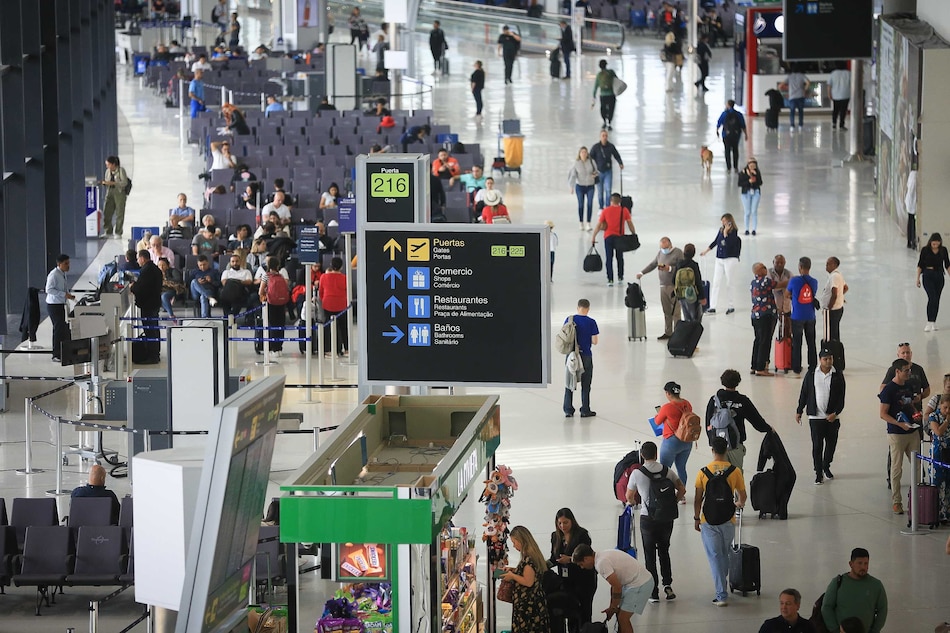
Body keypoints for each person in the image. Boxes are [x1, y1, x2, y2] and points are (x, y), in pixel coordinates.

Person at [628, 440, 685, 603]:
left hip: (648, 519)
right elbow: (682, 489)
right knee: (664, 551)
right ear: (656, 454)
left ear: (642, 455)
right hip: (666, 518)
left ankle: (653, 592)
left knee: (650, 555)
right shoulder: (667, 471)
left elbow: (629, 496)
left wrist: (634, 503)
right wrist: (673, 502)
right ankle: (668, 586)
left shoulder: (637, 473)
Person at [693, 436, 746, 607]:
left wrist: (696, 518)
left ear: (712, 451)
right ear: (726, 450)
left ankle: (721, 594)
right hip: (728, 519)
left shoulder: (703, 472)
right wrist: (737, 504)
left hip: (708, 520)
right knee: (724, 553)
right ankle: (722, 583)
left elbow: (698, 499)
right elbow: (743, 496)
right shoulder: (735, 471)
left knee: (714, 556)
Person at [572, 544, 654, 633]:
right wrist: (612, 606)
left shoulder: (601, 563)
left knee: (623, 619)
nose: (582, 567)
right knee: (619, 615)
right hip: (635, 580)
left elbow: (617, 586)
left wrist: (613, 607)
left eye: (581, 564)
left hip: (640, 583)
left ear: (586, 559)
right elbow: (614, 585)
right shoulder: (602, 554)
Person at [705, 369, 773, 471]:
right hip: (735, 444)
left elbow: (708, 422)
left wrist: (712, 441)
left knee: (719, 474)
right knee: (736, 474)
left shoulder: (714, 400)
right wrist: (768, 428)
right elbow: (756, 420)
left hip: (718, 445)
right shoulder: (742, 401)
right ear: (738, 382)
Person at [796, 347, 846, 485]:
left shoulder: (838, 375)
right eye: (825, 359)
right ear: (820, 360)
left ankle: (826, 465)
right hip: (815, 418)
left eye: (830, 358)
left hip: (832, 418)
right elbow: (804, 392)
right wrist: (799, 410)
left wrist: (835, 413)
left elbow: (841, 397)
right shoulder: (812, 374)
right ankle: (818, 473)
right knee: (817, 446)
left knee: (831, 445)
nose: (828, 361)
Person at [880, 358, 922, 515]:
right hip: (897, 434)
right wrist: (899, 424)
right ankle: (897, 501)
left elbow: (910, 404)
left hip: (912, 432)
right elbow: (883, 414)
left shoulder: (909, 386)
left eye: (909, 370)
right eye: (906, 370)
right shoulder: (888, 390)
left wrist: (915, 414)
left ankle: (917, 498)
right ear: (897, 371)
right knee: (897, 468)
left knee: (917, 466)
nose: (909, 373)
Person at [820, 548, 888, 633]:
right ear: (851, 564)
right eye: (859, 563)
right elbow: (827, 607)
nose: (863, 567)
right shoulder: (838, 582)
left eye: (866, 563)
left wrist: (874, 631)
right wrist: (835, 630)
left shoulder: (876, 585)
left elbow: (882, 610)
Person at [549, 509, 596, 623]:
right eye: (560, 523)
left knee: (584, 611)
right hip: (566, 581)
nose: (562, 526)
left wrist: (570, 559)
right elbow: (554, 558)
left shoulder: (582, 535)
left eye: (565, 522)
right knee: (570, 611)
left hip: (584, 579)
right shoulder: (555, 536)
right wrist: (541, 565)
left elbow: (587, 557)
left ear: (572, 521)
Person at [501, 526, 551, 633]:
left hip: (528, 606)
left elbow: (528, 582)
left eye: (514, 542)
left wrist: (512, 576)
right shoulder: (533, 555)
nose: (514, 546)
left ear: (521, 540)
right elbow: (529, 573)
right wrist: (514, 570)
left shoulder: (528, 558)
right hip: (533, 603)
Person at [637, 238, 683, 339]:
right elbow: (653, 264)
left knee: (676, 311)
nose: (664, 250)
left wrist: (669, 268)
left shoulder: (678, 253)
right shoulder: (660, 253)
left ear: (670, 244)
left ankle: (678, 333)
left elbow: (682, 268)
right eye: (662, 248)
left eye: (665, 248)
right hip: (663, 286)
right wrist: (642, 272)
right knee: (666, 310)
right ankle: (668, 332)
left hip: (674, 286)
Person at [563, 298, 599, 418]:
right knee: (586, 383)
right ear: (588, 309)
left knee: (569, 381)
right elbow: (595, 341)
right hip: (586, 355)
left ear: (578, 308)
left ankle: (568, 409)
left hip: (571, 355)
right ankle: (585, 409)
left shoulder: (569, 319)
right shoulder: (591, 322)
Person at [591, 193, 636, 287]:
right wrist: (633, 234)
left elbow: (599, 225)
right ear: (620, 201)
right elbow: (630, 224)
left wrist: (593, 236)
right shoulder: (624, 210)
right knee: (619, 258)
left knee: (609, 258)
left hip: (608, 237)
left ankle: (610, 279)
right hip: (620, 238)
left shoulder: (605, 211)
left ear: (611, 201)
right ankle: (620, 277)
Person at [700, 213, 741, 315]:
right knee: (716, 282)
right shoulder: (721, 230)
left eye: (724, 221)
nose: (723, 223)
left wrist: (726, 233)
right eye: (722, 221)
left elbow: (728, 244)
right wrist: (706, 251)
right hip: (720, 259)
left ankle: (731, 305)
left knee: (729, 282)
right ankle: (712, 306)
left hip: (730, 259)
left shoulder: (734, 232)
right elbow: (716, 242)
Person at [785, 257, 819, 375]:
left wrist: (793, 297)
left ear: (800, 267)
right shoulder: (814, 281)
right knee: (811, 343)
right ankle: (813, 366)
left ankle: (796, 367)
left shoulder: (794, 281)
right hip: (810, 316)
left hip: (797, 316)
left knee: (797, 343)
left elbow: (786, 294)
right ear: (810, 267)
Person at [130, 250, 163, 364]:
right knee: (154, 329)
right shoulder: (154, 269)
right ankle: (155, 353)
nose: (137, 261)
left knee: (150, 330)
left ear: (142, 258)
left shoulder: (147, 271)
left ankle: (153, 356)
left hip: (149, 305)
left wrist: (133, 287)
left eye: (138, 259)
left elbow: (142, 289)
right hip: (154, 303)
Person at [916, 232, 950, 331]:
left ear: (940, 242)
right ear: (930, 242)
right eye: (933, 243)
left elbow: (947, 265)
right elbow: (920, 264)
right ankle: (929, 321)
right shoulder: (925, 250)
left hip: (939, 276)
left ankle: (933, 322)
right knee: (932, 297)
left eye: (937, 243)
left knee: (937, 299)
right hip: (928, 275)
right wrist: (917, 278)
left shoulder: (943, 250)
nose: (935, 245)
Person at [45, 254, 74, 362]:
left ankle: (62, 352)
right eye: (66, 263)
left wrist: (67, 295)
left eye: (68, 263)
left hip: (60, 304)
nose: (68, 265)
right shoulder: (54, 275)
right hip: (54, 305)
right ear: (59, 264)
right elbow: (49, 289)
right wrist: (64, 294)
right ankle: (56, 354)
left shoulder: (62, 274)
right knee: (58, 329)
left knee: (61, 328)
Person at [750, 262, 777, 376]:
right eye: (763, 268)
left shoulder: (753, 282)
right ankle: (760, 368)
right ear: (757, 271)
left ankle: (754, 365)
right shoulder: (765, 281)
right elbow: (778, 285)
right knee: (764, 341)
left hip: (755, 315)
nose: (766, 269)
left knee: (758, 340)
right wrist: (791, 281)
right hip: (764, 315)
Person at [927, 395, 950, 523]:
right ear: (940, 405)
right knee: (938, 482)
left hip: (949, 451)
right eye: (945, 407)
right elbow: (938, 432)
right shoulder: (933, 416)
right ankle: (937, 513)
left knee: (948, 482)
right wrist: (947, 421)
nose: (947, 410)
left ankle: (947, 512)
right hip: (938, 452)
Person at [319, 257, 348, 356]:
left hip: (327, 303)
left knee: (327, 327)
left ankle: (328, 350)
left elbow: (321, 292)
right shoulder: (345, 278)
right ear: (341, 267)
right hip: (342, 304)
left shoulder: (323, 277)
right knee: (343, 327)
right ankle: (346, 348)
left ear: (331, 265)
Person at [589, 130, 623, 210]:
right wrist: (592, 170)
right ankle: (601, 208)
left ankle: (608, 208)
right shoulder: (595, 147)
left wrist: (620, 163)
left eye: (606, 136)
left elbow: (616, 155)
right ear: (600, 137)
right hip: (598, 172)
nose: (604, 137)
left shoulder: (611, 146)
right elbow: (590, 158)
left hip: (608, 172)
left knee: (608, 190)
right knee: (600, 191)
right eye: (603, 136)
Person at [568, 147, 598, 230]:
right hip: (580, 186)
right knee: (581, 205)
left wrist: (595, 174)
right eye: (582, 152)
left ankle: (588, 223)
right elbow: (573, 175)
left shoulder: (591, 161)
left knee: (590, 204)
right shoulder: (576, 163)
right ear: (579, 154)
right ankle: (581, 222)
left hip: (590, 185)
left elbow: (597, 171)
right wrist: (571, 186)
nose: (584, 154)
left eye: (585, 152)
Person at [674, 244, 706, 322]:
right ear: (693, 253)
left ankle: (688, 329)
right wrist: (702, 297)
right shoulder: (694, 265)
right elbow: (698, 282)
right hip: (692, 295)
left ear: (683, 252)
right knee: (695, 318)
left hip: (681, 295)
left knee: (686, 318)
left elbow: (673, 280)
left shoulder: (679, 264)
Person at [100, 155, 129, 238]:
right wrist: (105, 183)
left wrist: (114, 183)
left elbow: (124, 182)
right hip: (110, 192)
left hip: (119, 192)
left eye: (108, 164)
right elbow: (106, 180)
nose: (107, 166)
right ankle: (108, 231)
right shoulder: (107, 171)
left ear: (113, 164)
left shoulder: (121, 170)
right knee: (107, 211)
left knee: (119, 212)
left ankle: (118, 232)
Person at [821, 257, 848, 342]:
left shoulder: (834, 276)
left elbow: (834, 294)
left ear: (834, 265)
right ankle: (835, 347)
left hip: (832, 310)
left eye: (828, 264)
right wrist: (841, 296)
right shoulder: (837, 275)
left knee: (831, 334)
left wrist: (829, 308)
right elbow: (845, 288)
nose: (826, 265)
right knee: (834, 332)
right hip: (837, 308)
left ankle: (832, 348)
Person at [716, 100, 747, 172]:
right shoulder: (738, 114)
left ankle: (728, 167)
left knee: (727, 151)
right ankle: (735, 167)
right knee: (735, 150)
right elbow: (743, 125)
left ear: (728, 105)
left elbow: (719, 123)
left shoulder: (724, 114)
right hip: (736, 135)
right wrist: (746, 134)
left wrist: (717, 131)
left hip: (726, 135)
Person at [769, 254, 792, 340]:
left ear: (785, 263)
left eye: (782, 262)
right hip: (772, 309)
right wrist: (786, 284)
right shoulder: (768, 273)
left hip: (786, 308)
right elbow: (770, 286)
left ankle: (785, 349)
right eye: (777, 262)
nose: (779, 264)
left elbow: (792, 287)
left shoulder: (789, 273)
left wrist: (777, 285)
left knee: (787, 334)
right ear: (773, 262)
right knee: (768, 334)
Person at [592, 60, 619, 130]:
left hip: (603, 95)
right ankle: (609, 122)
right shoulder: (611, 72)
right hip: (611, 95)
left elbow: (595, 86)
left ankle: (604, 121)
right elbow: (617, 81)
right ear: (606, 65)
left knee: (603, 109)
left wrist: (594, 96)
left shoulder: (599, 75)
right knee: (611, 109)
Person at [738, 158, 763, 235]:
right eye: (750, 165)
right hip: (746, 193)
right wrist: (748, 181)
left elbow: (760, 183)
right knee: (747, 212)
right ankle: (746, 229)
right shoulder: (743, 172)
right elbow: (739, 184)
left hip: (755, 192)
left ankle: (754, 229)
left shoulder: (757, 172)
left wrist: (756, 176)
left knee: (754, 211)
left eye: (753, 165)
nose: (752, 167)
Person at [785, 66, 811, 130]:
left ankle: (792, 126)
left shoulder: (789, 76)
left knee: (792, 111)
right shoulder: (802, 76)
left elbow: (781, 85)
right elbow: (808, 82)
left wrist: (788, 89)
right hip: (800, 96)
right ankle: (800, 125)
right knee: (800, 111)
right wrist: (804, 89)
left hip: (792, 97)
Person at [829, 62, 851, 131]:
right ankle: (841, 125)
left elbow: (829, 85)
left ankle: (834, 123)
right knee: (843, 111)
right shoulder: (848, 73)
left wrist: (829, 94)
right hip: (845, 94)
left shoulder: (833, 73)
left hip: (835, 95)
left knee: (835, 110)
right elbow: (852, 84)